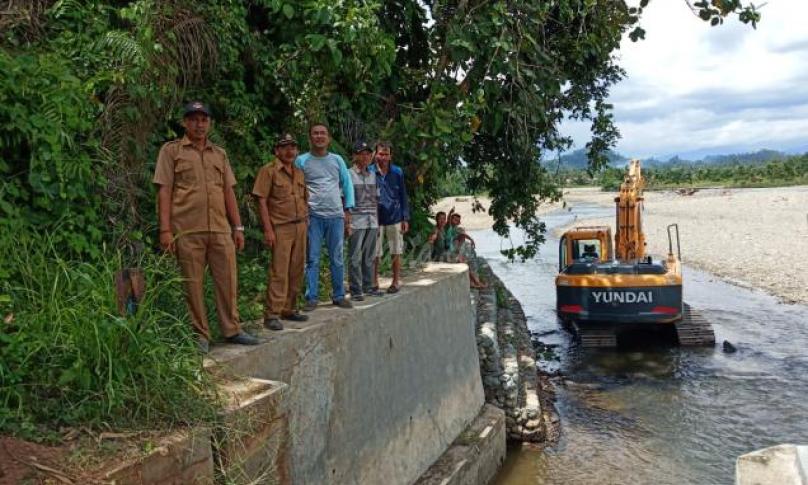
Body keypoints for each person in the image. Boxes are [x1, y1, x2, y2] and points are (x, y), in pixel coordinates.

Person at [153, 101, 260, 353]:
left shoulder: (219, 154)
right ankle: (200, 334)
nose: (199, 124)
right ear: (184, 122)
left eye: (204, 120)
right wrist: (165, 230)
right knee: (193, 282)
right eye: (193, 119)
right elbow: (164, 190)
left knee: (227, 279)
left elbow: (228, 192)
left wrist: (238, 227)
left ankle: (232, 329)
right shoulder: (171, 151)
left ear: (209, 123)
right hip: (187, 230)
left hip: (221, 229)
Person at [252, 133, 310, 331]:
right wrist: (268, 229)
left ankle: (289, 308)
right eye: (285, 147)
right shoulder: (268, 171)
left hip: (300, 225)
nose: (289, 151)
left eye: (293, 147)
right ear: (277, 150)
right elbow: (261, 200)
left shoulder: (299, 172)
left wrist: (306, 221)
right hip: (281, 227)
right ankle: (272, 313)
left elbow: (304, 199)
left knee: (297, 269)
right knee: (279, 270)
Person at [295, 123, 355, 311]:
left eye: (323, 133)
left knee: (337, 257)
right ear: (310, 137)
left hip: (336, 216)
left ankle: (338, 295)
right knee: (312, 258)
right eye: (315, 133)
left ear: (328, 138)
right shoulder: (301, 161)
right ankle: (311, 297)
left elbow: (347, 185)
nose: (319, 136)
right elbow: (297, 187)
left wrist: (348, 212)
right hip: (313, 217)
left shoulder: (337, 160)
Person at [347, 140, 384, 301]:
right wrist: (347, 222)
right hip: (356, 220)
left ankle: (368, 286)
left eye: (368, 153)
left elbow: (376, 199)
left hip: (371, 220)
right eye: (362, 153)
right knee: (355, 256)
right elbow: (344, 199)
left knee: (369, 256)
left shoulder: (373, 175)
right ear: (355, 156)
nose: (366, 156)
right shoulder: (348, 174)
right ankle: (355, 290)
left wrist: (377, 221)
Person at [372, 142, 410, 293]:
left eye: (386, 154)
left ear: (390, 156)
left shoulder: (397, 172)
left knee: (396, 250)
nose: (383, 157)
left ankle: (395, 281)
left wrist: (405, 218)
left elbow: (403, 195)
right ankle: (374, 281)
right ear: (375, 155)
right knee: (375, 252)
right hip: (375, 218)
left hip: (395, 217)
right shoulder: (369, 172)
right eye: (381, 153)